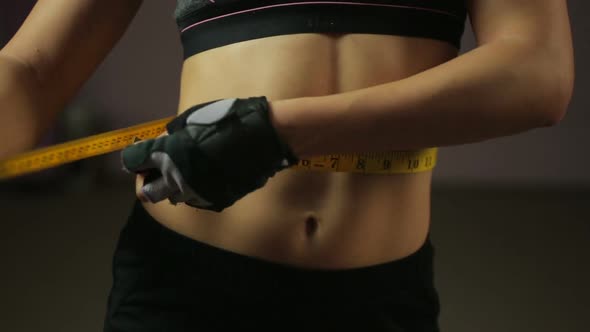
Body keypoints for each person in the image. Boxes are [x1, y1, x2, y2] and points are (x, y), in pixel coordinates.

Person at [0, 0, 574, 331]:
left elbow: (539, 72)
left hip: (380, 302)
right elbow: (32, 66)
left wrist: (276, 131)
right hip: (186, 294)